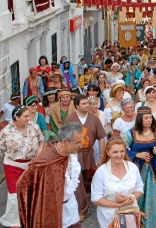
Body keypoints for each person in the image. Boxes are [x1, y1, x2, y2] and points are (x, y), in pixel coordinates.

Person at [17, 122, 83, 228]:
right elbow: (22, 184)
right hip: (51, 212)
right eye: (77, 143)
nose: (81, 145)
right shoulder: (45, 161)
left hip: (70, 209)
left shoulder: (72, 154)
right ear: (65, 141)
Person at [0, 105, 44, 228]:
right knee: (14, 195)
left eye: (29, 116)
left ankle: (29, 217)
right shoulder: (6, 131)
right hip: (12, 166)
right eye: (26, 116)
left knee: (30, 193)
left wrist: (40, 149)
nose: (29, 118)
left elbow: (42, 139)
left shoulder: (33, 127)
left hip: (30, 165)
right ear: (16, 117)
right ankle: (14, 221)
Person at [65, 94, 107, 222]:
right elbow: (65, 138)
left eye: (87, 103)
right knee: (77, 182)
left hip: (88, 154)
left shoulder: (94, 118)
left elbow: (101, 138)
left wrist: (101, 156)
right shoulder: (70, 118)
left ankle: (79, 205)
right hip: (74, 155)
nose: (87, 105)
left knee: (83, 179)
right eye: (83, 104)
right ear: (77, 105)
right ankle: (82, 210)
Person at [122, 106, 156, 228]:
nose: (149, 120)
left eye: (150, 117)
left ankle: (153, 223)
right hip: (137, 170)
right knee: (136, 195)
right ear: (140, 119)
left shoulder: (154, 132)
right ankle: (135, 223)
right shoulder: (129, 134)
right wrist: (136, 154)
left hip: (151, 171)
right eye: (146, 118)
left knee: (152, 196)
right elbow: (122, 151)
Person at [91, 137, 144, 228]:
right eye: (115, 152)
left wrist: (129, 198)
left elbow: (139, 189)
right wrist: (118, 205)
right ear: (108, 153)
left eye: (122, 151)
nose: (119, 155)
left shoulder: (132, 167)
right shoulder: (101, 172)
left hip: (129, 212)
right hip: (108, 216)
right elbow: (96, 198)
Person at [88, 96, 109, 165]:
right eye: (93, 104)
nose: (95, 106)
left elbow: (106, 126)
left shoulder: (102, 114)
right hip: (91, 140)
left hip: (102, 139)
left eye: (96, 104)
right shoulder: (86, 115)